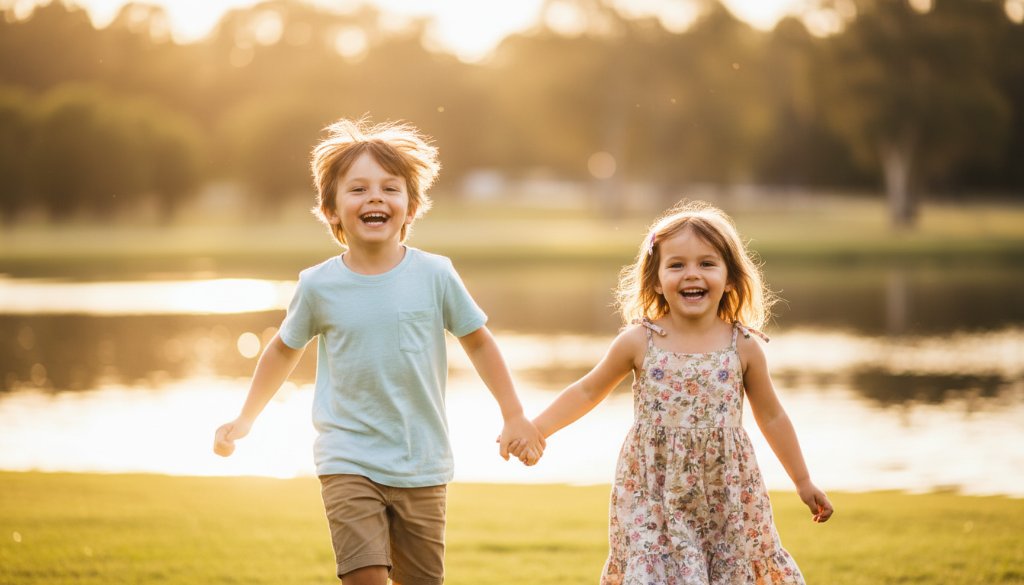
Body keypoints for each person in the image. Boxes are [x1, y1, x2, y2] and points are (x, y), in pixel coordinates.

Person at [213, 118, 545, 585]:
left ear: (410, 208)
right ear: (331, 210)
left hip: (422, 462)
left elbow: (479, 342)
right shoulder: (318, 284)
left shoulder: (436, 275)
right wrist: (246, 418)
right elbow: (282, 351)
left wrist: (514, 414)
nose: (375, 198)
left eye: (391, 188)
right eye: (358, 189)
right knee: (363, 577)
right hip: (347, 458)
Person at [519, 200, 832, 584]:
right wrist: (536, 428)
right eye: (677, 264)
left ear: (730, 277)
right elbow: (587, 391)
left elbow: (772, 416)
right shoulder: (639, 341)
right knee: (653, 569)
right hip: (653, 488)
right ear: (655, 279)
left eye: (706, 263)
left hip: (725, 491)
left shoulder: (744, 346)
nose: (691, 274)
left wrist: (802, 480)